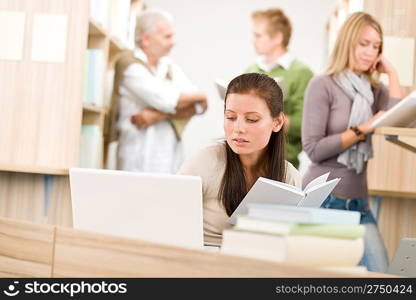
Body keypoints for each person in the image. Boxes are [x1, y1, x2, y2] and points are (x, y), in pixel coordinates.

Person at [302, 12, 403, 273]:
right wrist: (363, 129)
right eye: (364, 43)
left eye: (376, 46)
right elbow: (314, 149)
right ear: (348, 42)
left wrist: (391, 73)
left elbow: (400, 120)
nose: (370, 51)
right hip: (325, 200)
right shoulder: (322, 84)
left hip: (358, 202)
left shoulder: (374, 91)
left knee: (379, 273)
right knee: (329, 278)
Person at [178, 73, 301, 247]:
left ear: (277, 122)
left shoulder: (289, 176)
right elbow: (171, 226)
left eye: (252, 119)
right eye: (230, 117)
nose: (238, 128)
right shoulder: (203, 163)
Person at [108, 9, 207, 173]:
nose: (173, 42)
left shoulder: (169, 66)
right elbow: (169, 101)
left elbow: (198, 107)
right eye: (167, 36)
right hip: (137, 159)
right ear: (146, 39)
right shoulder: (130, 66)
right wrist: (199, 96)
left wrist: (158, 115)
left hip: (170, 158)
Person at [245, 8, 313, 169]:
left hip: (281, 161)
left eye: (258, 35)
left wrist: (267, 115)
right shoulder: (251, 69)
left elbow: (303, 125)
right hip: (247, 160)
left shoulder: (302, 73)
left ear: (277, 38)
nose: (252, 40)